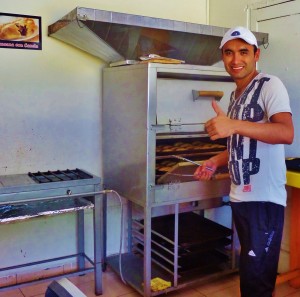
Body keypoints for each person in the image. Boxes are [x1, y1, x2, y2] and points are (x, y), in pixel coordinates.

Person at [194, 26, 294, 297]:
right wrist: (216, 160)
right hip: (241, 198)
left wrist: (233, 125)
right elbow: (242, 141)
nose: (235, 59)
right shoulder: (235, 95)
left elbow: (286, 133)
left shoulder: (270, 85)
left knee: (257, 278)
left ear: (256, 54)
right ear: (222, 57)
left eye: (243, 52)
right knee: (251, 272)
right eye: (229, 53)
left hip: (263, 200)